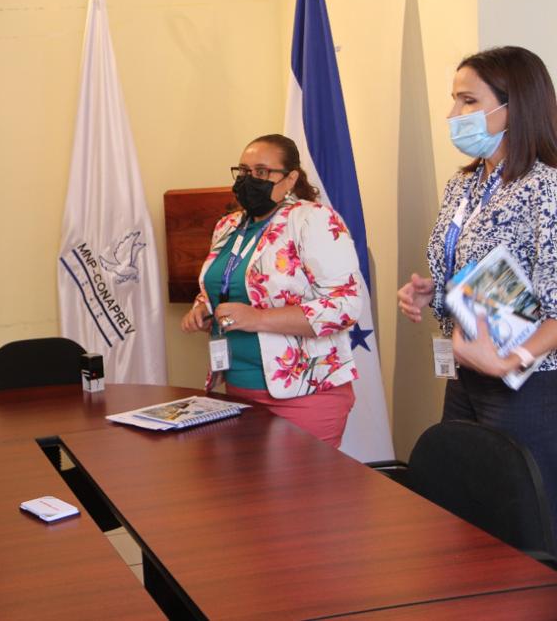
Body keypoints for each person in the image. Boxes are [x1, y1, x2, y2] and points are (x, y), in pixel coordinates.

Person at [398, 46, 557, 531]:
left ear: (515, 105)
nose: (453, 115)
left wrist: (509, 360)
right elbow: (467, 269)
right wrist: (429, 292)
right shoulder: (463, 186)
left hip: (526, 383)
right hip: (467, 376)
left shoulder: (546, 189)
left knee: (522, 523)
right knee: (465, 513)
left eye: (468, 101)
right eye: (454, 100)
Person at [181, 134, 363, 448]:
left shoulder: (314, 220)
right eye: (244, 171)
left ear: (290, 178)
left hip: (305, 393)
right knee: (249, 495)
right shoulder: (228, 226)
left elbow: (344, 306)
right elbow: (226, 285)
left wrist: (257, 319)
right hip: (238, 389)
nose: (250, 180)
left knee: (299, 496)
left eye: (262, 172)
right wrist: (202, 309)